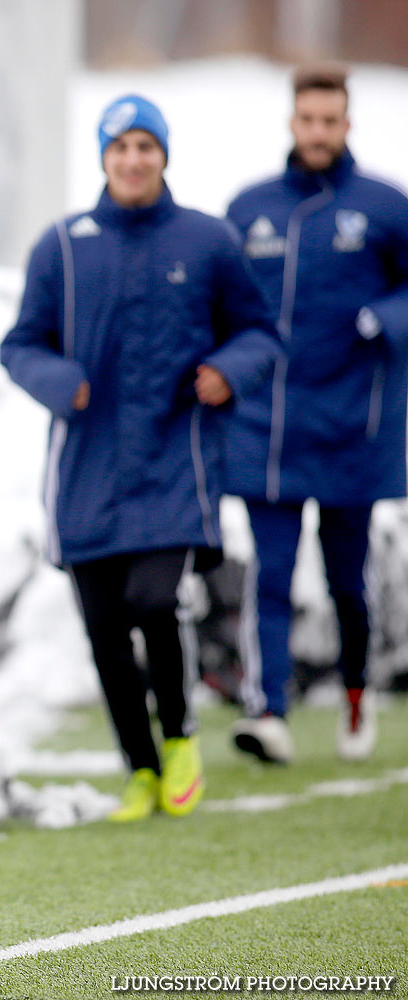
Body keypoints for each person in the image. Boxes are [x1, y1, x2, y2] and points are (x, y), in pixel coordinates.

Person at [0, 95, 280, 822]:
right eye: (119, 147)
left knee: (154, 600)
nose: (133, 160)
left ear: (163, 157)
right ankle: (140, 768)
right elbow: (19, 344)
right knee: (102, 627)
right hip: (86, 472)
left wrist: (230, 370)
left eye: (145, 147)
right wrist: (60, 382)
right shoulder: (61, 245)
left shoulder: (208, 241)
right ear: (103, 157)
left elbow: (259, 333)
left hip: (173, 464)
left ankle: (181, 737)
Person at [224, 64, 408, 765]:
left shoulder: (386, 206)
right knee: (269, 577)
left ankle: (356, 693)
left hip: (350, 432)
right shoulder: (249, 208)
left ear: (348, 124)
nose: (319, 132)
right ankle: (267, 710)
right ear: (292, 122)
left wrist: (380, 319)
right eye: (309, 120)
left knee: (345, 584)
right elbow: (224, 301)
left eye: (331, 121)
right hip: (266, 431)